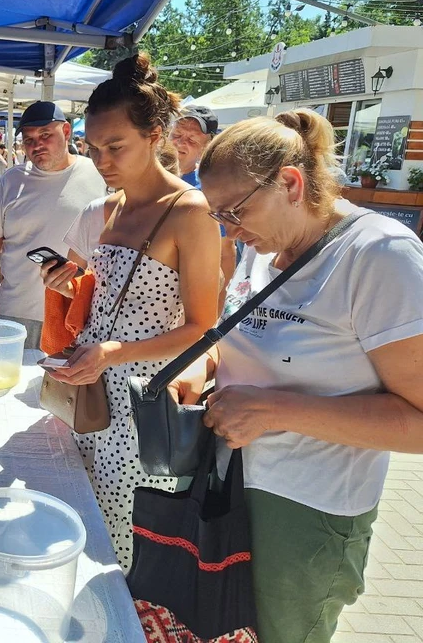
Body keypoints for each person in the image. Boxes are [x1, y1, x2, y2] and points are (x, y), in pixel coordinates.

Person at [166, 109, 423, 643]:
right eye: (219, 217)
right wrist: (204, 365)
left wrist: (275, 411)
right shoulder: (264, 247)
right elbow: (244, 339)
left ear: (290, 182)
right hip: (229, 486)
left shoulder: (379, 254)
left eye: (234, 212)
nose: (229, 231)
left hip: (307, 515)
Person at [40, 54, 221, 570]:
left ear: (155, 135)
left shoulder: (190, 212)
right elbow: (97, 289)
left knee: (126, 541)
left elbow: (202, 327)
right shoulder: (106, 209)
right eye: (94, 149)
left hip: (145, 402)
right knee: (82, 523)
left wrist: (115, 352)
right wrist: (64, 280)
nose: (102, 161)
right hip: (91, 389)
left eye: (115, 147)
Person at [0, 101, 107, 349]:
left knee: (63, 388)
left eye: (45, 135)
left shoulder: (98, 175)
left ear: (66, 132)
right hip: (15, 314)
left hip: (77, 313)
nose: (37, 145)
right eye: (29, 139)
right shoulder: (11, 180)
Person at [170, 105, 237, 308]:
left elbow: (226, 250)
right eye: (177, 134)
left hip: (186, 299)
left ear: (205, 148)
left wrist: (218, 308)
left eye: (191, 140)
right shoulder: (143, 176)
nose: (180, 143)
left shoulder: (211, 190)